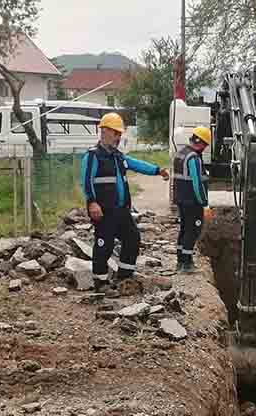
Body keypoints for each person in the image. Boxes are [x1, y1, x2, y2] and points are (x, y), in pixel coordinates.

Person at [80, 113, 168, 290]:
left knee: (132, 238)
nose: (118, 137)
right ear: (104, 131)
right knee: (104, 244)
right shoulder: (93, 156)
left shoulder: (118, 156)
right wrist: (92, 202)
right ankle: (101, 282)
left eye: (120, 134)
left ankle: (124, 277)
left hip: (121, 210)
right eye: (115, 133)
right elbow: (86, 180)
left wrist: (158, 170)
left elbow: (136, 164)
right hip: (103, 211)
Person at [172, 126, 212, 273]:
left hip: (181, 200)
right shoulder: (193, 158)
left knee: (184, 229)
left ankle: (180, 261)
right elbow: (197, 183)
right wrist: (205, 204)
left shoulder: (180, 153)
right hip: (192, 201)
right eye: (205, 145)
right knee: (193, 230)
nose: (205, 148)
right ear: (201, 143)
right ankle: (187, 264)